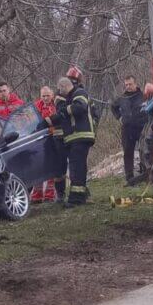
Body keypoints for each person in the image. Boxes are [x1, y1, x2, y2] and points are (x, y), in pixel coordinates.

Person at [44, 73, 96, 207]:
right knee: (78, 167)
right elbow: (62, 115)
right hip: (76, 137)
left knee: (76, 168)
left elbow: (79, 108)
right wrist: (47, 121)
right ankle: (81, 196)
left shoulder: (79, 93)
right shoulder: (70, 97)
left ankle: (76, 199)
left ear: (64, 86)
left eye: (59, 89)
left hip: (80, 135)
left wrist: (63, 110)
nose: (59, 92)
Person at [112, 76, 147, 185]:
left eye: (130, 84)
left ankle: (145, 174)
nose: (128, 87)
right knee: (128, 152)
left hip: (142, 127)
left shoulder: (143, 96)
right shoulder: (122, 98)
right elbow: (113, 107)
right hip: (127, 129)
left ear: (135, 84)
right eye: (126, 85)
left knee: (144, 150)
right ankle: (129, 177)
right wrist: (119, 117)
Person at [31, 86, 60, 203]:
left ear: (52, 95)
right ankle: (37, 195)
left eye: (48, 95)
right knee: (39, 167)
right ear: (40, 96)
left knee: (52, 166)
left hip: (54, 138)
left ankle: (49, 195)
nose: (46, 98)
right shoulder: (36, 106)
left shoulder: (57, 105)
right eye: (43, 96)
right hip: (40, 140)